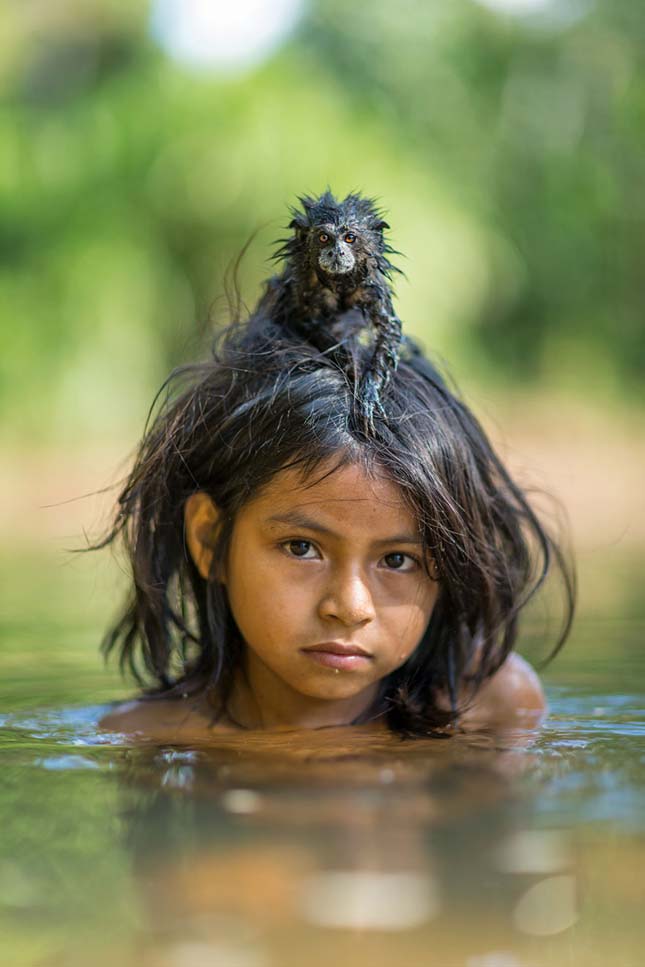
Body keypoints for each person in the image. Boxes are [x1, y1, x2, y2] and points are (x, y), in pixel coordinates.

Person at [97, 266, 574, 741]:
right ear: (210, 538)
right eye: (302, 547)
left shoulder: (488, 710)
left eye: (397, 560)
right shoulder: (149, 738)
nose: (349, 607)